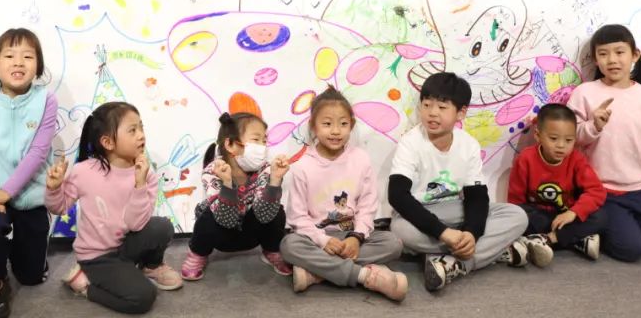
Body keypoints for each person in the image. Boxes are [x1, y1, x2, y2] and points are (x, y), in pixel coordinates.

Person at [388, 73, 530, 292]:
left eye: (442, 107)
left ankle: (454, 262)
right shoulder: (411, 143)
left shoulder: (468, 145)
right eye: (426, 105)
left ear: (461, 113)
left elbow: (477, 197)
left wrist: (472, 233)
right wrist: (444, 233)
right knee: (399, 231)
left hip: (453, 210)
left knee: (516, 215)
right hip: (418, 214)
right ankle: (494, 251)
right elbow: (397, 196)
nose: (432, 113)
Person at [46, 101, 182, 313]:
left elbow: (136, 224)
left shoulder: (146, 174)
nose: (141, 135)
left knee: (162, 226)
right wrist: (54, 188)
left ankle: (151, 267)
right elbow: (59, 207)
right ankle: (85, 286)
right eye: (132, 130)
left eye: (141, 127)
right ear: (108, 142)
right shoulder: (84, 172)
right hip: (96, 257)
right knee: (143, 297)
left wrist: (139, 184)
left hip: (125, 245)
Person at [0, 29, 58, 318]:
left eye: (28, 56)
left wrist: (7, 192)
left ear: (38, 67)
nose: (18, 62)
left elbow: (38, 153)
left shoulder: (47, 100)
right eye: (9, 56)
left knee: (31, 276)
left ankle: (22, 253)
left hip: (30, 195)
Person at [280, 88, 407, 301]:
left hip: (351, 237)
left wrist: (356, 237)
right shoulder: (303, 166)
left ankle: (317, 273)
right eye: (327, 124)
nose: (336, 131)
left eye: (343, 124)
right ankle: (364, 275)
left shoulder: (361, 159)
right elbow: (297, 217)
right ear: (313, 126)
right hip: (316, 239)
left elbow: (367, 205)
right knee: (289, 245)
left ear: (352, 125)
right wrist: (322, 241)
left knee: (394, 243)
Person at [567, 25, 641, 262]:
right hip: (600, 189)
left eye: (619, 52)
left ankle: (623, 222)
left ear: (634, 55)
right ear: (595, 59)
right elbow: (571, 138)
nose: (612, 60)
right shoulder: (584, 92)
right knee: (630, 250)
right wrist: (593, 126)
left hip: (639, 189)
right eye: (603, 54)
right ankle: (592, 228)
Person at [180, 112, 290, 280]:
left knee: (278, 210)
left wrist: (275, 180)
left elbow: (265, 215)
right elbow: (226, 220)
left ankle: (271, 250)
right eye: (256, 140)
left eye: (264, 141)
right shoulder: (212, 171)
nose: (263, 147)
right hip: (222, 235)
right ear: (230, 145)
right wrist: (227, 184)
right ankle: (198, 254)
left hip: (251, 235)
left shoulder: (266, 169)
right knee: (207, 214)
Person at [508, 103, 606, 261]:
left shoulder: (576, 159)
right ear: (538, 135)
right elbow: (515, 201)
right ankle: (577, 240)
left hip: (567, 216)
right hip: (540, 216)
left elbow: (597, 191)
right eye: (553, 139)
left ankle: (548, 239)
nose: (561, 145)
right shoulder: (525, 159)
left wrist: (573, 212)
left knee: (601, 216)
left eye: (569, 140)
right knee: (519, 215)